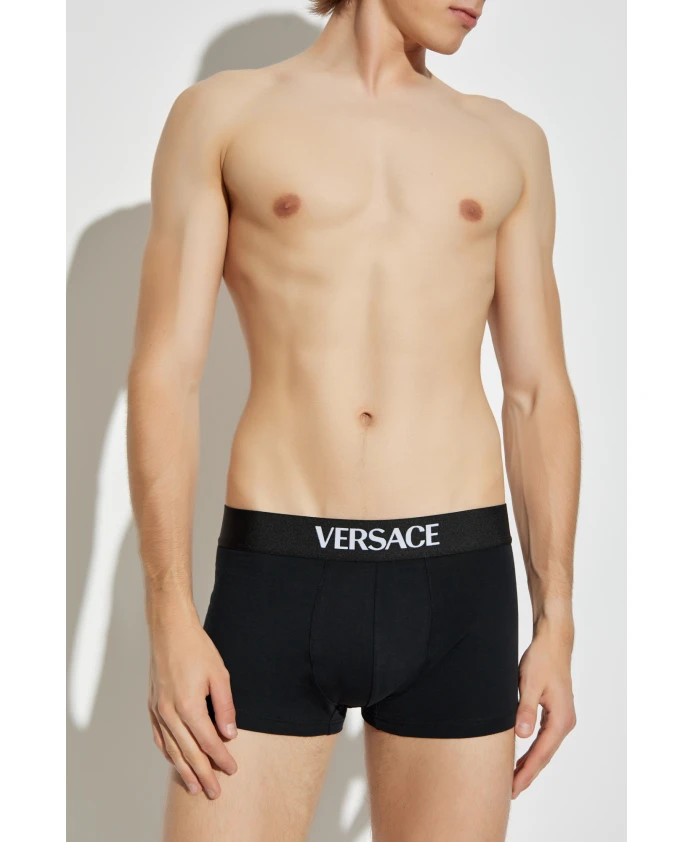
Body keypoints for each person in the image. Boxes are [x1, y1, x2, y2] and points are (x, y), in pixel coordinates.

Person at [126, 1, 580, 839]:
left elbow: (535, 391)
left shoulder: (506, 142)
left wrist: (555, 622)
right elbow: (165, 375)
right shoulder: (225, 116)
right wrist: (169, 615)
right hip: (277, 574)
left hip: (457, 585)